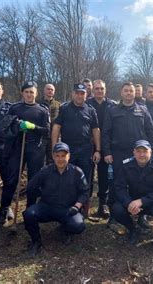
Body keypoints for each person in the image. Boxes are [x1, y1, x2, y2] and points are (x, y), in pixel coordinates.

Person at [102, 82, 153, 228]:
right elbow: (106, 133)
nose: (128, 93)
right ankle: (114, 215)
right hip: (118, 153)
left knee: (140, 183)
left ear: (135, 93)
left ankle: (141, 216)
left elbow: (150, 132)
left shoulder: (143, 110)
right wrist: (107, 152)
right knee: (115, 184)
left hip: (139, 153)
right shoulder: (112, 111)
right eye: (126, 91)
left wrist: (150, 151)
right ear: (121, 93)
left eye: (131, 91)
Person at [23, 142, 89, 256]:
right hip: (47, 207)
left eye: (63, 156)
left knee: (78, 226)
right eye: (57, 156)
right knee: (29, 214)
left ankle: (65, 230)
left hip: (68, 209)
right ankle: (36, 242)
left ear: (69, 156)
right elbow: (31, 186)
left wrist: (77, 206)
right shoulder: (45, 171)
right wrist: (39, 196)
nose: (60, 159)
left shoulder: (77, 172)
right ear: (53, 156)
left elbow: (85, 192)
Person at [0, 81, 50, 224]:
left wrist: (32, 126)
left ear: (36, 93)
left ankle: (30, 209)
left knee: (33, 180)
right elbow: (6, 126)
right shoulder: (15, 108)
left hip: (35, 149)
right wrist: (16, 126)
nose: (29, 94)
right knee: (11, 180)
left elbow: (47, 131)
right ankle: (4, 209)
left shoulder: (42, 110)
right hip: (17, 147)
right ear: (22, 93)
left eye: (32, 92)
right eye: (27, 92)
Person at [112, 140, 153, 252]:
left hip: (152, 203)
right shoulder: (126, 165)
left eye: (145, 151)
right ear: (133, 152)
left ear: (151, 152)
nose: (142, 155)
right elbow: (120, 187)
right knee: (117, 209)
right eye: (138, 151)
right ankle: (133, 230)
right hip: (132, 202)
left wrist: (142, 201)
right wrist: (128, 202)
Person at [52, 83, 101, 216]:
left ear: (86, 94)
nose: (80, 95)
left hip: (86, 149)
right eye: (77, 93)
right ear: (73, 93)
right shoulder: (64, 109)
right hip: (68, 149)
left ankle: (84, 208)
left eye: (82, 93)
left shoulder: (91, 110)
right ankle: (68, 206)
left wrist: (98, 150)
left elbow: (96, 130)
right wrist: (54, 148)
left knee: (85, 179)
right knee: (69, 178)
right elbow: (56, 128)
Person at [87, 80, 117, 218]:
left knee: (104, 174)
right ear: (93, 90)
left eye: (102, 89)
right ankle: (84, 203)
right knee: (87, 174)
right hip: (88, 144)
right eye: (97, 89)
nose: (99, 91)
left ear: (105, 90)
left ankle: (102, 204)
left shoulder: (112, 105)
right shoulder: (87, 104)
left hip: (106, 144)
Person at [37, 83, 61, 164]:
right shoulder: (37, 103)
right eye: (48, 89)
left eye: (52, 90)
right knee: (39, 159)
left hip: (54, 136)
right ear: (44, 90)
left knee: (52, 158)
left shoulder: (58, 104)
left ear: (54, 92)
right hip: (41, 136)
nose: (50, 91)